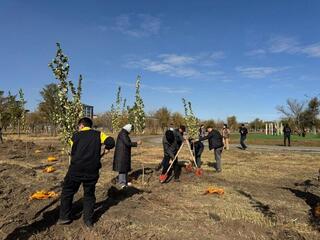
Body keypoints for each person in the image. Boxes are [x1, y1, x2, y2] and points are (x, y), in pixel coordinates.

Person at [58, 117, 115, 227]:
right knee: (89, 195)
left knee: (67, 192)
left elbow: (72, 149)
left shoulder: (74, 136)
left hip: (75, 170)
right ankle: (88, 221)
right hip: (92, 171)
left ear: (81, 125)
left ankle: (64, 217)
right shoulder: (98, 134)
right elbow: (111, 142)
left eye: (78, 126)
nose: (78, 128)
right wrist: (106, 149)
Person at [113, 124, 141, 188]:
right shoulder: (123, 133)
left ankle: (125, 182)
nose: (131, 131)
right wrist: (136, 143)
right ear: (128, 128)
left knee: (125, 168)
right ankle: (122, 183)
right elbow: (127, 143)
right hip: (121, 155)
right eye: (131, 130)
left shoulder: (124, 133)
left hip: (124, 154)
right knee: (122, 169)